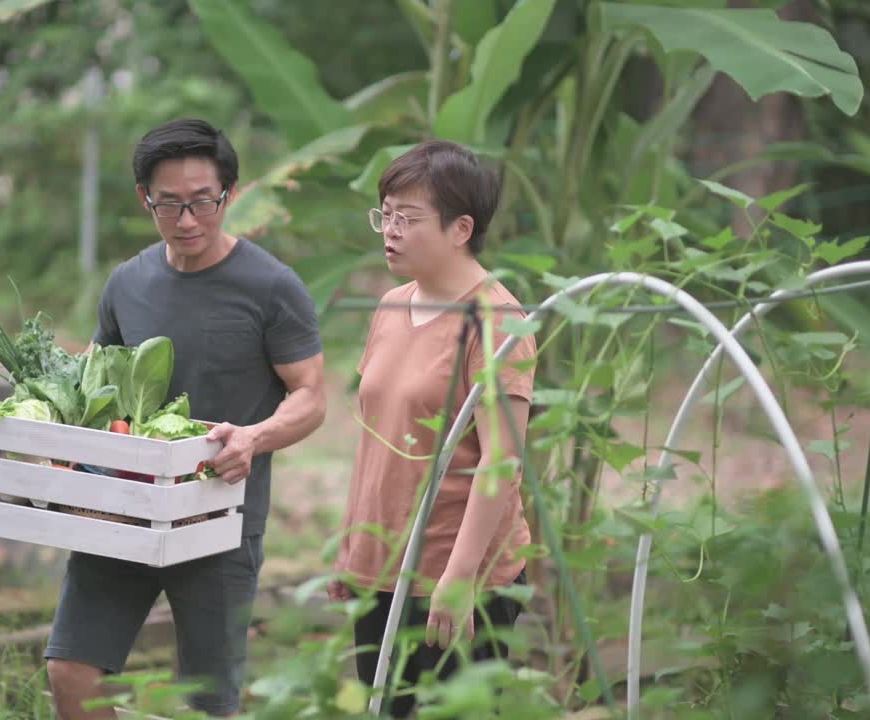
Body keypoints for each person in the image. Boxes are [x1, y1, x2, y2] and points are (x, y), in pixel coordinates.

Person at [44, 118, 327, 718]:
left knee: (205, 703)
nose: (188, 220)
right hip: (122, 510)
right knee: (70, 671)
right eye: (168, 204)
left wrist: (253, 436)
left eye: (204, 201)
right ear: (145, 199)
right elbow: (96, 381)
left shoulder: (272, 287)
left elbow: (310, 397)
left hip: (221, 520)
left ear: (229, 194)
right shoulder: (128, 282)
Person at [329, 140, 537, 718]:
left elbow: (502, 460)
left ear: (460, 228)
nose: (389, 231)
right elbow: (378, 439)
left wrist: (460, 576)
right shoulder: (392, 304)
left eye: (408, 218)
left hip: (456, 575)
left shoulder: (497, 321)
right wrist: (356, 551)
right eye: (385, 215)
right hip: (382, 567)